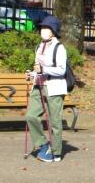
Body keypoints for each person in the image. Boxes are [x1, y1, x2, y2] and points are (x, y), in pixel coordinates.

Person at [25, 16, 68, 162]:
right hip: (39, 85)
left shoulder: (59, 47)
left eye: (46, 28)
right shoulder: (39, 46)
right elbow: (37, 68)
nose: (43, 30)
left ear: (53, 31)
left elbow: (61, 70)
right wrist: (31, 74)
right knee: (31, 116)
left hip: (55, 87)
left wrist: (44, 69)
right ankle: (43, 144)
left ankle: (56, 151)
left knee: (55, 121)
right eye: (42, 28)